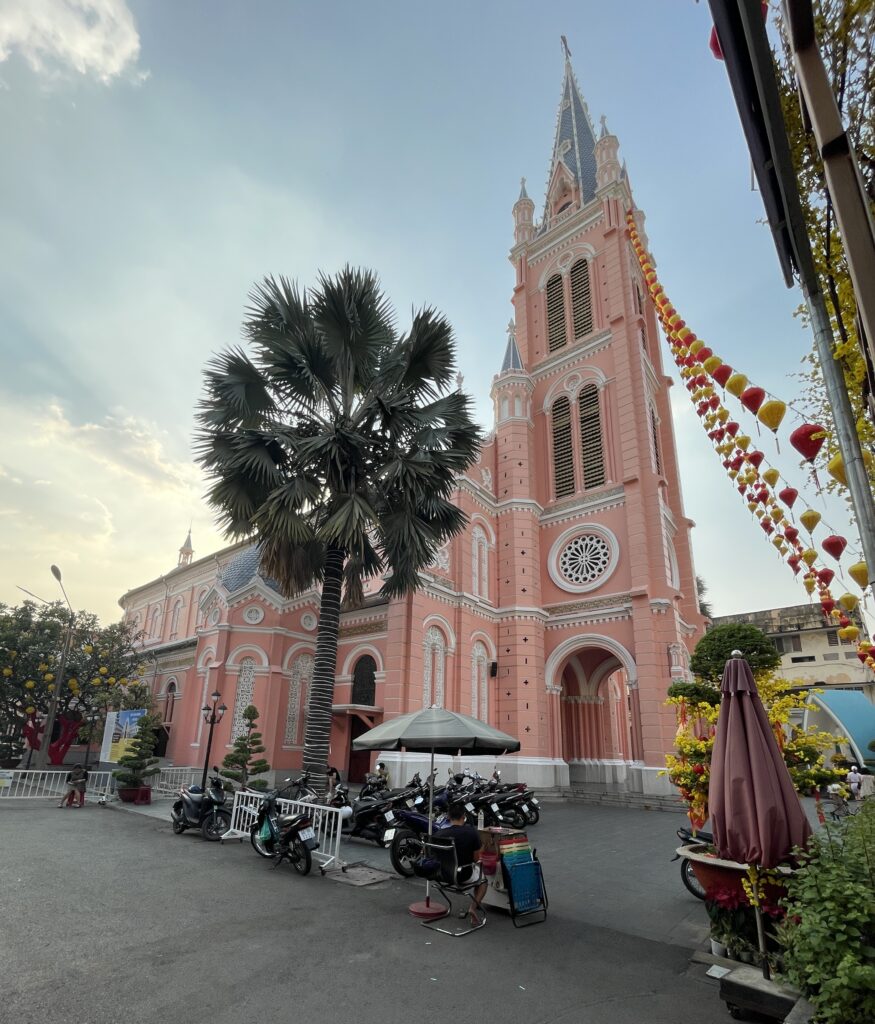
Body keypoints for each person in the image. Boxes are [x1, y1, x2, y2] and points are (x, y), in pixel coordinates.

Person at [437, 801, 488, 925]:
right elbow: (476, 859)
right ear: (464, 816)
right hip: (462, 875)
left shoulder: (439, 833)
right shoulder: (471, 832)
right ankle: (473, 907)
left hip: (442, 874)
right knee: (483, 880)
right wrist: (483, 847)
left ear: (448, 817)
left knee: (476, 873)